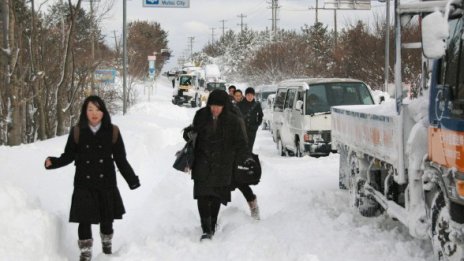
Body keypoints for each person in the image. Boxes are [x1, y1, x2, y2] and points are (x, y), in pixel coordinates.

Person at [44, 95, 140, 261]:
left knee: (107, 220)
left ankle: (107, 247)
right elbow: (69, 155)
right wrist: (54, 162)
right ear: (84, 112)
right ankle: (85, 253)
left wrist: (132, 179)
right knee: (84, 220)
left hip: (106, 183)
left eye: (98, 109)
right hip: (84, 183)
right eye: (90, 109)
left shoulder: (113, 131)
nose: (94, 113)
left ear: (103, 111)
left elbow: (120, 159)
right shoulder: (77, 131)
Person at [184, 89, 250, 241]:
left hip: (223, 164)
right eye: (212, 105)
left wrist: (244, 158)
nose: (214, 109)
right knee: (202, 195)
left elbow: (241, 143)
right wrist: (187, 134)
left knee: (215, 197)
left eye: (218, 106)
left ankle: (212, 224)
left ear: (224, 106)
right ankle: (206, 229)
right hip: (202, 161)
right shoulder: (201, 115)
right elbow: (191, 132)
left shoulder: (233, 120)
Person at [236, 87, 264, 220]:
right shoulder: (240, 104)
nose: (249, 97)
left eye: (251, 95)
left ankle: (248, 159)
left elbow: (261, 116)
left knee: (249, 147)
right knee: (243, 145)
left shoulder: (256, 105)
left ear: (253, 95)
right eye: (247, 95)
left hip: (252, 130)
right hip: (242, 130)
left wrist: (256, 125)